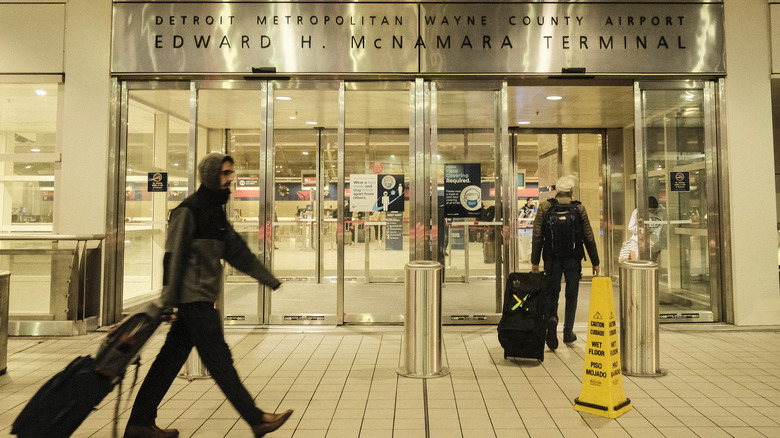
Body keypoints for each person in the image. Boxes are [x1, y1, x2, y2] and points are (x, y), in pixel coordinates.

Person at [124, 153, 293, 438]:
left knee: (167, 363)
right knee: (220, 362)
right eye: (225, 174)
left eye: (231, 174)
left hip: (199, 301)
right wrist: (168, 302)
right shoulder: (188, 211)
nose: (230, 179)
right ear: (212, 176)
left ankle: (140, 423)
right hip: (193, 303)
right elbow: (173, 257)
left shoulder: (215, 213)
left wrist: (270, 280)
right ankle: (256, 419)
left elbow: (238, 252)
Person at [531, 176, 600, 349]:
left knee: (552, 293)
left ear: (556, 190)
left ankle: (552, 321)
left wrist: (534, 262)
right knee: (572, 294)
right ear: (571, 191)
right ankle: (568, 332)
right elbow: (588, 236)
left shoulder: (545, 207)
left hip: (551, 258)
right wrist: (595, 261)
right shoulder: (578, 208)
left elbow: (537, 236)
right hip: (573, 258)